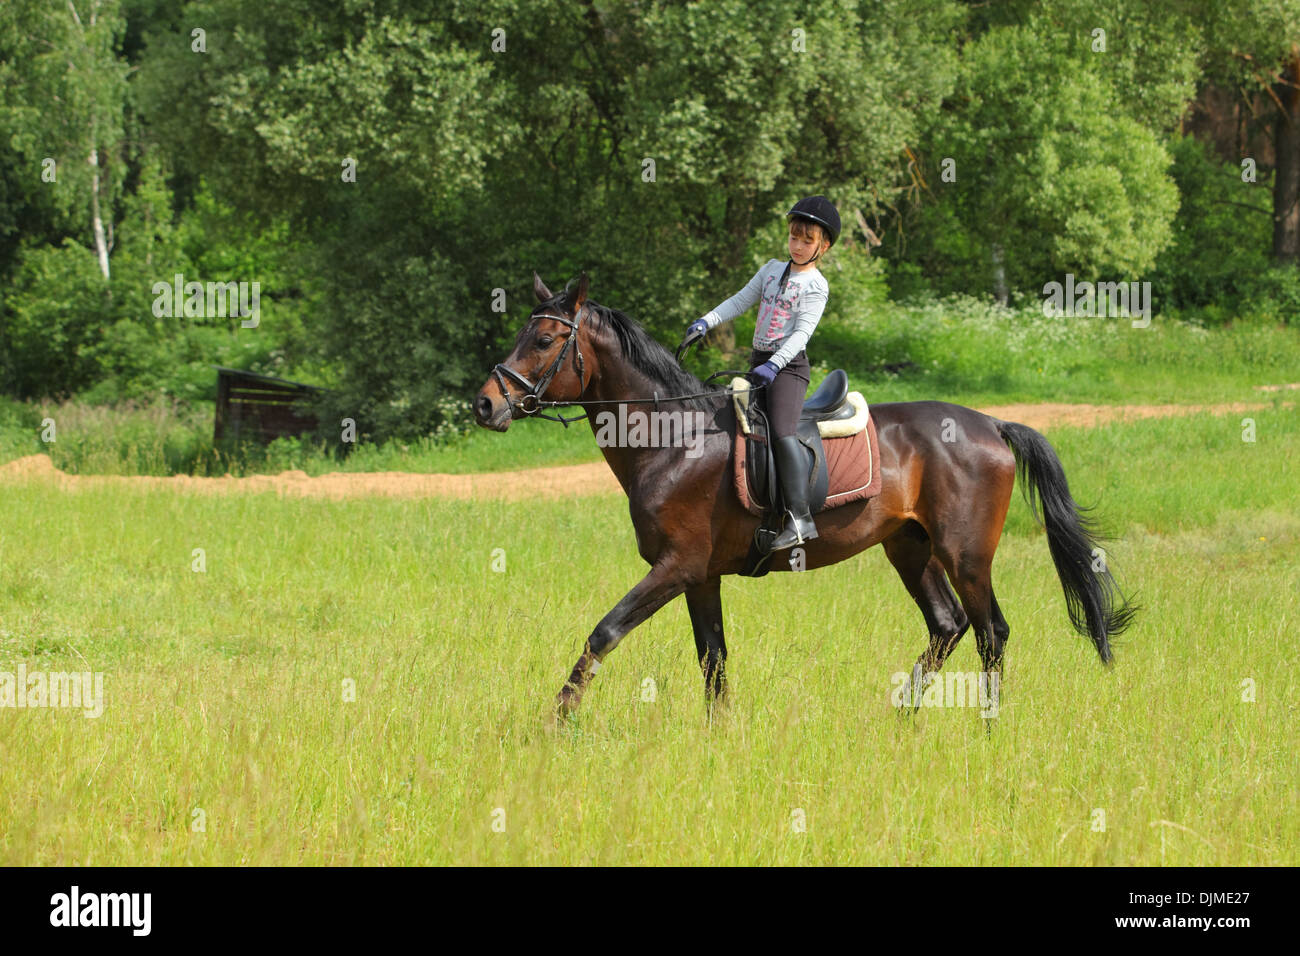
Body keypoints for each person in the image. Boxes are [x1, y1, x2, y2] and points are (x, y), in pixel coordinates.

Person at [686, 195, 841, 552]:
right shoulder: (771, 270)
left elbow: (801, 333)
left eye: (807, 240)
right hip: (760, 363)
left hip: (788, 369)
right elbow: (741, 300)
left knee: (783, 431)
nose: (798, 246)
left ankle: (801, 518)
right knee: (734, 424)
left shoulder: (816, 285)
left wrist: (775, 365)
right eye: (794, 237)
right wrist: (705, 321)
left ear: (824, 245)